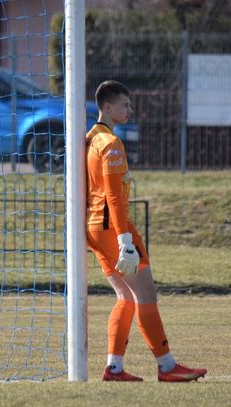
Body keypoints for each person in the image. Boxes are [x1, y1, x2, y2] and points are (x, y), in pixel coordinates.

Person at [85, 80, 207, 382]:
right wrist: (124, 240)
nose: (130, 109)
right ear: (108, 107)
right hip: (112, 227)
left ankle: (114, 368)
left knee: (126, 297)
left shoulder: (89, 138)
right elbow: (113, 196)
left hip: (94, 227)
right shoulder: (111, 144)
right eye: (124, 104)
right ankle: (167, 366)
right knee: (146, 294)